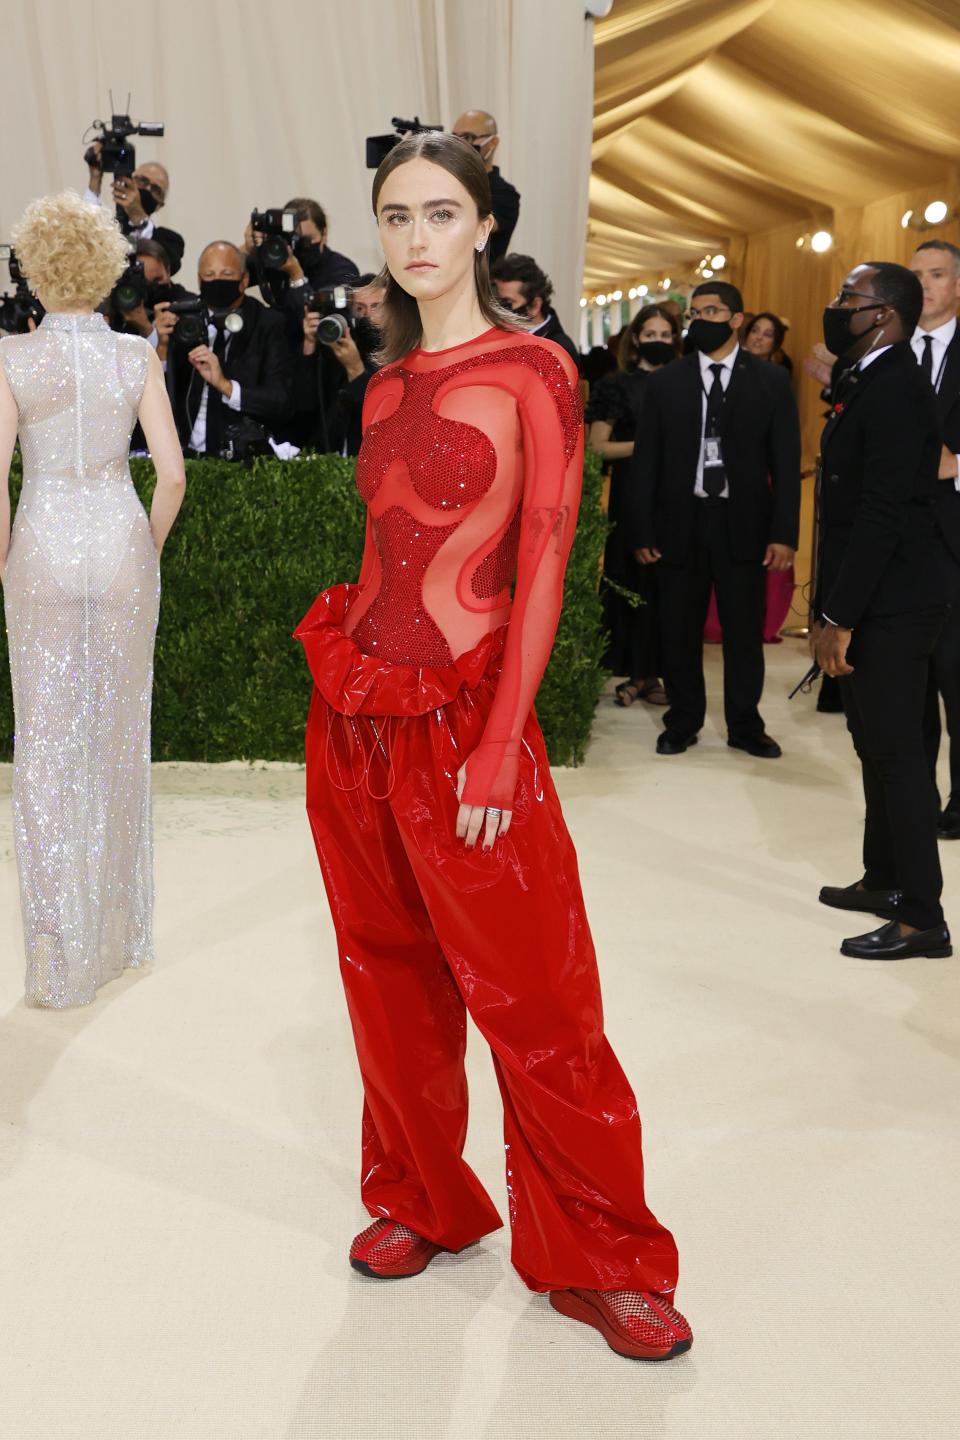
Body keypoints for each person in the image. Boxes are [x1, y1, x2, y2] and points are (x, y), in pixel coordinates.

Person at [294, 131, 692, 1362]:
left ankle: (604, 1255)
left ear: (483, 228)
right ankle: (421, 1198)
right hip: (357, 711)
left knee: (536, 994)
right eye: (396, 216)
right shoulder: (382, 386)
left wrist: (500, 746)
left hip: (471, 719)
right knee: (385, 972)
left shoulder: (536, 371)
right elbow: (382, 558)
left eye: (440, 214)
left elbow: (544, 569)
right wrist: (352, 711)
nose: (416, 237)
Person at [0, 191, 185, 1007]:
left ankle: (57, 960)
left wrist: (6, 560)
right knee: (115, 736)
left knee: (44, 748)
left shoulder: (11, 358)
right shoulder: (134, 356)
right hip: (118, 543)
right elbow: (172, 477)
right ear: (106, 269)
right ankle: (117, 938)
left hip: (40, 543)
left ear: (34, 271)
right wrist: (143, 547)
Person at [814, 261, 951, 960]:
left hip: (894, 600)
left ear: (884, 315)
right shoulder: (867, 375)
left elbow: (880, 514)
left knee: (899, 756)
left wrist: (840, 614)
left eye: (849, 298)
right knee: (875, 747)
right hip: (875, 592)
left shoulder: (895, 387)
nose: (837, 308)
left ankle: (922, 917)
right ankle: (886, 879)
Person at [628, 281, 800, 758]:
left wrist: (784, 534)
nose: (702, 319)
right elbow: (647, 463)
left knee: (743, 632)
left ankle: (745, 725)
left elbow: (786, 464)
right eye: (696, 311)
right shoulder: (667, 382)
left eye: (713, 310)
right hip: (680, 524)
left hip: (743, 524)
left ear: (737, 319)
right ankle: (682, 721)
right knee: (678, 629)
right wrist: (642, 529)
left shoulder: (771, 382)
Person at [587, 304, 680, 706]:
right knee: (632, 581)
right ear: (636, 338)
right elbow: (597, 446)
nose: (658, 342)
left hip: (678, 497)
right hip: (632, 494)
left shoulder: (686, 383)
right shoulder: (616, 386)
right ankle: (636, 672)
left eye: (665, 335)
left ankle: (653, 673)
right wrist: (648, 448)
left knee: (670, 586)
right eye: (650, 335)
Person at [909, 240, 960, 839]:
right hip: (898, 545)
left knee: (955, 676)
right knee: (907, 681)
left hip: (954, 543)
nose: (925, 285)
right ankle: (914, 793)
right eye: (916, 275)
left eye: (937, 274)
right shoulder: (886, 352)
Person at [707, 309, 796, 645]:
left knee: (760, 550)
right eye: (755, 330)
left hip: (763, 477)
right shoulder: (720, 372)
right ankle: (715, 621)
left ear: (776, 342)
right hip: (720, 473)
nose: (759, 337)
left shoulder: (777, 377)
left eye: (767, 333)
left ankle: (760, 620)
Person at [156, 240, 293, 454]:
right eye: (209, 276)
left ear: (244, 279)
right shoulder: (184, 321)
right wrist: (162, 347)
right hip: (186, 454)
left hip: (243, 456)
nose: (217, 281)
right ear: (199, 280)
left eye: (227, 274)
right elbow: (158, 397)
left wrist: (226, 386)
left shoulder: (268, 324)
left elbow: (280, 402)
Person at [294, 276, 384, 454]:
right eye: (360, 308)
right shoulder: (337, 348)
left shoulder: (402, 352)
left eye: (376, 307)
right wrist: (310, 343)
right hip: (331, 458)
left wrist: (356, 370)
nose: (368, 316)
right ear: (350, 313)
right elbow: (304, 404)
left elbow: (382, 419)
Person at [84, 143, 185, 275]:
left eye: (156, 189)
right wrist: (95, 179)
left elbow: (167, 264)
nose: (147, 189)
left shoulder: (170, 240)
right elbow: (83, 232)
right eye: (142, 181)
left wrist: (138, 217)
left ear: (160, 205)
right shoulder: (108, 229)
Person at [452, 110, 520, 262]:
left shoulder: (504, 194)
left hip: (478, 283)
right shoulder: (446, 182)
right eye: (455, 138)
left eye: (469, 137)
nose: (461, 144)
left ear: (493, 142)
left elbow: (476, 226)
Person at [491, 253, 579, 365]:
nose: (501, 309)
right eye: (499, 301)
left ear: (535, 306)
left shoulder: (560, 351)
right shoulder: (502, 337)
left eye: (509, 302)